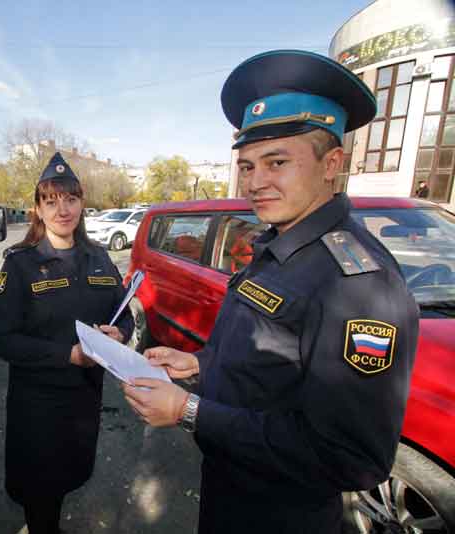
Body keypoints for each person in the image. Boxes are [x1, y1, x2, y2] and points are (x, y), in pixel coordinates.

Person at [121, 50, 419, 533]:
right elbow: (271, 365)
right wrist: (201, 364)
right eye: (247, 165)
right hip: (229, 494)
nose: (256, 183)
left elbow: (352, 458)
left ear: (332, 164)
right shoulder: (275, 245)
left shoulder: (360, 285)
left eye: (277, 162)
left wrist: (189, 410)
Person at [0, 152, 133, 534]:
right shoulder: (20, 264)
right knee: (40, 494)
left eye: (70, 199)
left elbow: (126, 315)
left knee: (71, 477)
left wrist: (120, 334)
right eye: (50, 201)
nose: (62, 209)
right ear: (37, 208)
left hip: (85, 401)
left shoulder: (101, 259)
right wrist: (65, 354)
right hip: (38, 408)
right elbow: (0, 339)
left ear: (82, 203)